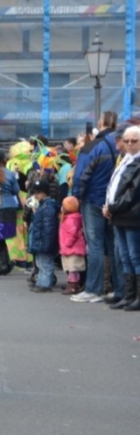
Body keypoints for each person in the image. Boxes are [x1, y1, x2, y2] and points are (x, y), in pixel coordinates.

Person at [71, 111, 123, 303]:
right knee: (114, 246)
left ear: (100, 123)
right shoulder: (122, 145)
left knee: (95, 246)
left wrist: (77, 196)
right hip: (115, 202)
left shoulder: (92, 147)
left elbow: (80, 176)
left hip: (93, 200)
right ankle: (120, 289)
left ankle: (94, 288)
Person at [104, 125, 140, 311]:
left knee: (135, 256)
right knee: (125, 257)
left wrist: (112, 206)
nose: (130, 144)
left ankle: (137, 297)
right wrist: (108, 205)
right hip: (119, 215)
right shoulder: (125, 159)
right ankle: (129, 295)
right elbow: (114, 186)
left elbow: (133, 193)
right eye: (127, 141)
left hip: (132, 215)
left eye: (134, 141)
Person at [0, 149, 20, 275]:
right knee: (4, 237)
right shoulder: (10, 174)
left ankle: (2, 264)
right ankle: (7, 262)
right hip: (10, 205)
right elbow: (16, 190)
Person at [27, 179, 59, 293]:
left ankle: (45, 284)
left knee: (45, 264)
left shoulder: (48, 207)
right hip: (40, 241)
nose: (36, 195)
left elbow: (49, 228)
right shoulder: (41, 206)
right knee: (40, 263)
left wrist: (47, 244)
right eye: (35, 193)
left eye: (39, 192)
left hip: (44, 242)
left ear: (45, 192)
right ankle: (41, 282)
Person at [59, 196, 85, 295]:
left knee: (73, 268)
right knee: (70, 268)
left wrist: (67, 243)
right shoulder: (68, 217)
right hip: (68, 249)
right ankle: (71, 284)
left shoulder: (71, 219)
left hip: (72, 249)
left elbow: (72, 233)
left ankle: (74, 286)